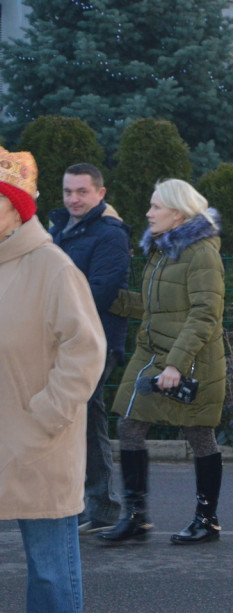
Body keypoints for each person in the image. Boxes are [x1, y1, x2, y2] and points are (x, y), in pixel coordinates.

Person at [0, 146, 106, 613]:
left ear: (15, 207)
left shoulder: (52, 265)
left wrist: (44, 416)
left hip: (40, 446)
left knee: (49, 574)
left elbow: (86, 351)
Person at [98, 179, 227, 545]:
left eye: (156, 206)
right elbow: (155, 305)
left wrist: (176, 364)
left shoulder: (202, 252)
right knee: (129, 425)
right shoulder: (161, 249)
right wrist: (105, 297)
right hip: (152, 354)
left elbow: (205, 314)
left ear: (179, 213)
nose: (148, 212)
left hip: (191, 360)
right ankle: (136, 517)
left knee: (199, 434)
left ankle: (207, 520)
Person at [49, 163, 132, 535]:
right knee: (76, 419)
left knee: (85, 418)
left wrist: (52, 313)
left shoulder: (110, 235)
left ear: (100, 193)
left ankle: (100, 506)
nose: (73, 199)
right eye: (68, 192)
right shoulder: (59, 229)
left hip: (94, 341)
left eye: (82, 192)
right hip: (60, 340)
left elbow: (101, 290)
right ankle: (86, 502)